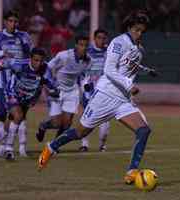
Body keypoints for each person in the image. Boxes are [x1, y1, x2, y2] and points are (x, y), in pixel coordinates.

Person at [37, 11, 152, 185]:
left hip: (122, 99)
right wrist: (129, 85)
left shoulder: (140, 49)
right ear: (129, 28)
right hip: (105, 96)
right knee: (80, 132)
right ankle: (51, 147)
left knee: (143, 130)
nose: (140, 34)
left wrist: (145, 71)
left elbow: (129, 65)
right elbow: (110, 70)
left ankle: (132, 171)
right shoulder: (118, 42)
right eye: (137, 30)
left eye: (143, 31)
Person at [0, 48, 59, 160]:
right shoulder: (19, 64)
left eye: (41, 61)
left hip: (28, 97)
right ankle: (9, 149)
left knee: (13, 119)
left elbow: (52, 85)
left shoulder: (45, 69)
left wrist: (54, 90)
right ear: (30, 59)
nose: (38, 63)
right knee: (18, 116)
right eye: (36, 60)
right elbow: (0, 64)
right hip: (13, 93)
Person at [0, 10, 32, 159]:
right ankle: (1, 146)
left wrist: (25, 48)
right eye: (10, 21)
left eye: (15, 21)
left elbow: (31, 55)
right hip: (1, 82)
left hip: (18, 82)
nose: (13, 24)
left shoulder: (23, 36)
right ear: (5, 22)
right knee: (4, 115)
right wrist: (1, 54)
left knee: (19, 114)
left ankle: (18, 146)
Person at [35, 35, 91, 143]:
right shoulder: (64, 56)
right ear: (76, 45)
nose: (83, 48)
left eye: (86, 46)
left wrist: (86, 86)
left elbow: (84, 76)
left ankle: (54, 144)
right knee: (56, 123)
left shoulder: (88, 60)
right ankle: (43, 126)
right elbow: (48, 67)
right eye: (81, 45)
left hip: (72, 91)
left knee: (67, 123)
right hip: (57, 90)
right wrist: (49, 85)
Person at [79, 29, 110, 152]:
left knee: (105, 118)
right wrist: (84, 84)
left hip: (104, 88)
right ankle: (84, 144)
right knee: (88, 115)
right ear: (94, 38)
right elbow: (81, 68)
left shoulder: (109, 51)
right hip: (89, 87)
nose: (101, 40)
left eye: (104, 38)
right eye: (99, 37)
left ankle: (102, 143)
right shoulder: (87, 51)